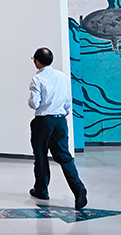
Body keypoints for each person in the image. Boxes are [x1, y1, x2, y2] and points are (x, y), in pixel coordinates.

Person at [28, 47, 88, 210]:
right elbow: (68, 101)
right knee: (64, 157)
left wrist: (31, 101)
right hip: (60, 120)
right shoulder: (62, 77)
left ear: (37, 61)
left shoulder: (37, 79)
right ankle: (78, 188)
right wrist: (62, 115)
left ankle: (41, 190)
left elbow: (35, 103)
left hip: (43, 121)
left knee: (41, 156)